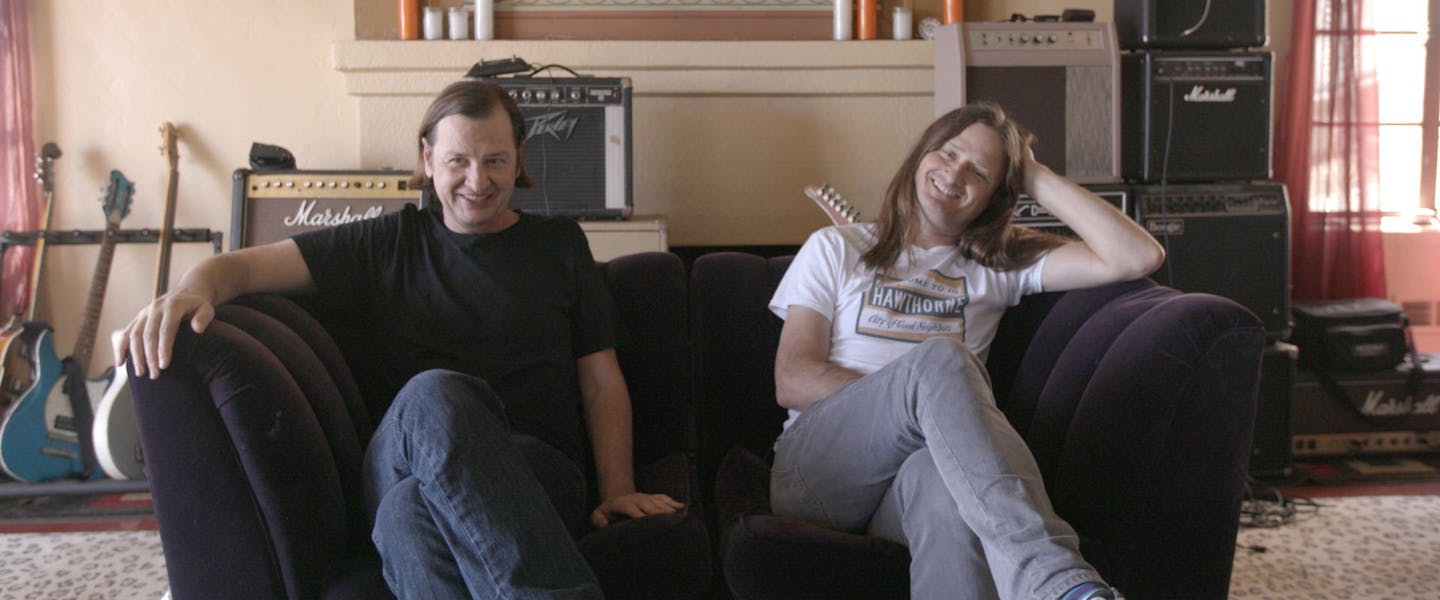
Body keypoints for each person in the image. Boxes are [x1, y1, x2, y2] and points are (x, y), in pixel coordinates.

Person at [115, 79, 682, 598]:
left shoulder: (559, 245)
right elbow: (240, 267)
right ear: (428, 159)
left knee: (406, 516)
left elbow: (601, 380)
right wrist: (189, 291)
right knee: (435, 395)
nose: (478, 180)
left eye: (495, 160)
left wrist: (617, 488)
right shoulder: (386, 243)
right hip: (405, 455)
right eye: (458, 161)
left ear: (519, 159)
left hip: (536, 471)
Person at [769, 102, 1164, 600]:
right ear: (922, 155)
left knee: (949, 492)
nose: (954, 175)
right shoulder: (837, 246)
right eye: (948, 153)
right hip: (818, 474)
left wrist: (1034, 174)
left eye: (978, 171)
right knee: (943, 361)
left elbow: (1138, 256)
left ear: (996, 197)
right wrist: (920, 401)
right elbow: (793, 378)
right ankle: (1056, 584)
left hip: (919, 475)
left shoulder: (998, 267)